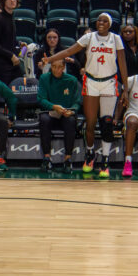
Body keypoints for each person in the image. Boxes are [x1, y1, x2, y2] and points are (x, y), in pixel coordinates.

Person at [43, 12, 128, 178]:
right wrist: (50, 59)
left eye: (105, 21)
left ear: (110, 24)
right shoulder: (89, 38)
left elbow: (122, 63)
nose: (100, 23)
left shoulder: (116, 39)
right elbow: (69, 50)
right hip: (91, 82)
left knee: (107, 123)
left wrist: (125, 87)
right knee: (90, 123)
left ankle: (105, 159)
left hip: (109, 82)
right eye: (98, 20)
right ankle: (90, 154)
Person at [37, 59, 81, 172]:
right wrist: (53, 106)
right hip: (50, 112)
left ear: (64, 67)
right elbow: (41, 99)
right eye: (54, 67)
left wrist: (73, 111)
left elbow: (77, 101)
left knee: (71, 120)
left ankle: (67, 159)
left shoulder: (72, 80)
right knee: (44, 119)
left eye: (60, 67)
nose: (57, 69)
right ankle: (47, 158)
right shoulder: (44, 78)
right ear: (51, 67)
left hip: (66, 113)